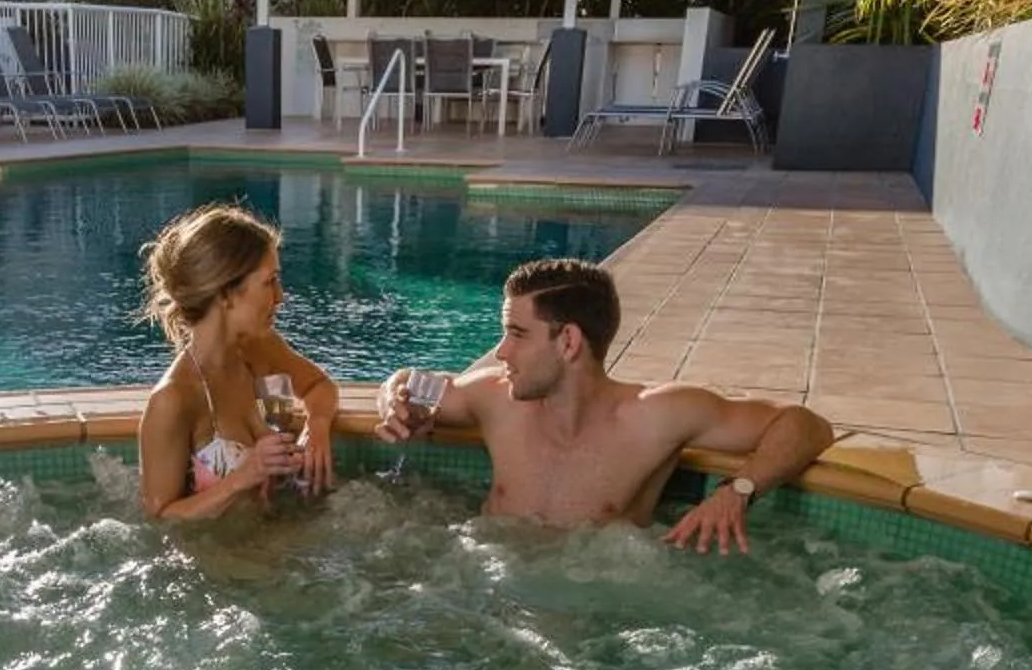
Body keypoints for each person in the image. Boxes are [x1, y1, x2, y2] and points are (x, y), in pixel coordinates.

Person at [377, 256, 833, 548]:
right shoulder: (495, 399)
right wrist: (394, 401)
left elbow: (806, 425)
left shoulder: (655, 416)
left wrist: (738, 492)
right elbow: (409, 381)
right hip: (481, 585)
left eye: (517, 334)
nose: (500, 352)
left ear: (569, 341)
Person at [139, 203, 339, 523]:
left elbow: (319, 386)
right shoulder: (174, 399)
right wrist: (244, 476)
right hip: (219, 552)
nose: (280, 296)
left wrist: (316, 428)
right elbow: (161, 517)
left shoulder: (261, 348)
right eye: (270, 281)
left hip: (283, 535)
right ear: (226, 294)